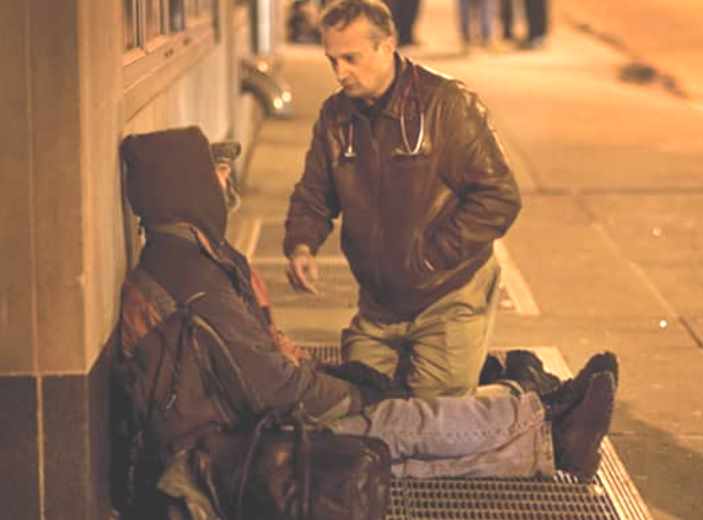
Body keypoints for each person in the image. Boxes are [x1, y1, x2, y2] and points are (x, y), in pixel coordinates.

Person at [116, 126, 616, 494]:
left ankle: (546, 427)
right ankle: (539, 415)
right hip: (227, 455)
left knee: (396, 441)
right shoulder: (192, 277)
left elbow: (262, 371)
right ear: (183, 186)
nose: (224, 182)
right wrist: (355, 391)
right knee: (396, 423)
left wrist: (339, 382)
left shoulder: (191, 258)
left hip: (232, 437)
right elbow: (275, 389)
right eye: (214, 172)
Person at [284, 0, 522, 399]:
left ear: (387, 44)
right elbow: (314, 193)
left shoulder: (446, 104)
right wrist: (301, 244)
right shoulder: (335, 117)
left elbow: (499, 196)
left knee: (432, 418)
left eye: (350, 58)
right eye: (332, 61)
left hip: (448, 293)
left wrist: (431, 258)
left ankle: (521, 393)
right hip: (379, 305)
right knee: (356, 406)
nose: (340, 73)